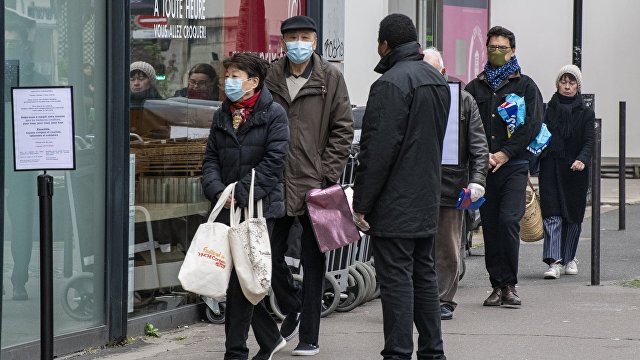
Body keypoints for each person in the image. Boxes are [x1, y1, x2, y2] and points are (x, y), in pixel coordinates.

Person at [352, 14, 450, 360]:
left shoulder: (390, 84)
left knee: (395, 280)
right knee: (424, 275)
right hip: (426, 195)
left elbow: (377, 150)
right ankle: (432, 352)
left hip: (395, 201)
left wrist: (361, 202)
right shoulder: (437, 80)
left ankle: (397, 352)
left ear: (385, 45)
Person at [264, 15, 353, 356]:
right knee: (268, 254)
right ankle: (293, 302)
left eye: (305, 36)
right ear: (282, 42)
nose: (298, 42)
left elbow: (342, 128)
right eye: (292, 37)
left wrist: (327, 173)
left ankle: (310, 337)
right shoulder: (270, 77)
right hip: (275, 181)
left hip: (313, 183)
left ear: (315, 42)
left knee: (314, 261)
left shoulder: (330, 78)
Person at [201, 52, 289, 360]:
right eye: (228, 76)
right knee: (238, 279)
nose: (229, 82)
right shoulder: (222, 113)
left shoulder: (274, 113)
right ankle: (270, 339)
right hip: (227, 207)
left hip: (260, 209)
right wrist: (217, 190)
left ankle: (235, 352)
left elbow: (274, 162)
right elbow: (211, 157)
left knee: (244, 281)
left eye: (236, 76)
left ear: (254, 81)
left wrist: (241, 192)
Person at [465, 26, 544, 307]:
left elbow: (532, 126)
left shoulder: (525, 86)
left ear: (513, 51)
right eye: (492, 48)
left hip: (514, 166)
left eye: (502, 48)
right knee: (491, 226)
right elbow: (467, 126)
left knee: (509, 221)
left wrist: (505, 154)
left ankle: (510, 284)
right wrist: (484, 155)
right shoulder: (475, 87)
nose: (496, 53)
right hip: (484, 168)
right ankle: (496, 285)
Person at [423, 47, 489, 320]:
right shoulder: (413, 97)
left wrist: (477, 180)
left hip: (451, 184)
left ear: (443, 71)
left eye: (433, 71)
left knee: (447, 245)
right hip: (418, 185)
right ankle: (420, 298)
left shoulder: (463, 101)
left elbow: (478, 145)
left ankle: (443, 299)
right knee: (419, 246)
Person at [539, 65, 594, 279]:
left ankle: (569, 257)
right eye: (564, 82)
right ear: (557, 84)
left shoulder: (586, 113)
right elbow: (539, 137)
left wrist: (582, 159)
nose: (567, 87)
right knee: (552, 214)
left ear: (578, 86)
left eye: (572, 83)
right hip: (551, 166)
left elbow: (589, 141)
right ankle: (554, 262)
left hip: (575, 171)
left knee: (573, 216)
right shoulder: (547, 109)